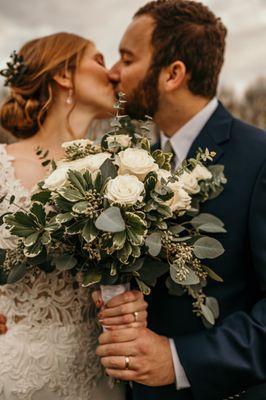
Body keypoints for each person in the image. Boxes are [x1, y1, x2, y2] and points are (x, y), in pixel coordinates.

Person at [95, 1, 266, 399]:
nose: (113, 72)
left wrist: (178, 359)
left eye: (127, 57)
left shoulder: (258, 158)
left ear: (173, 74)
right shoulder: (130, 164)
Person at [0, 32, 147, 400]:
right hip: (19, 376)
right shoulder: (1, 165)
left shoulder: (125, 173)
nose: (113, 74)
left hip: (104, 373)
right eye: (98, 60)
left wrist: (135, 302)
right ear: (64, 75)